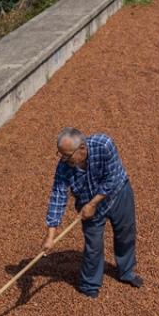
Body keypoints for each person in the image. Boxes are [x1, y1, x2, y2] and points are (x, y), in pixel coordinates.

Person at [43, 128, 143, 298]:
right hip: (87, 204)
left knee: (125, 233)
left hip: (117, 193)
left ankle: (126, 272)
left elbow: (111, 179)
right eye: (60, 155)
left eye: (67, 155)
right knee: (93, 246)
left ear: (82, 148)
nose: (63, 160)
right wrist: (50, 235)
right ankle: (89, 285)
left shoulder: (104, 145)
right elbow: (58, 196)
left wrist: (93, 203)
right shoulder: (64, 165)